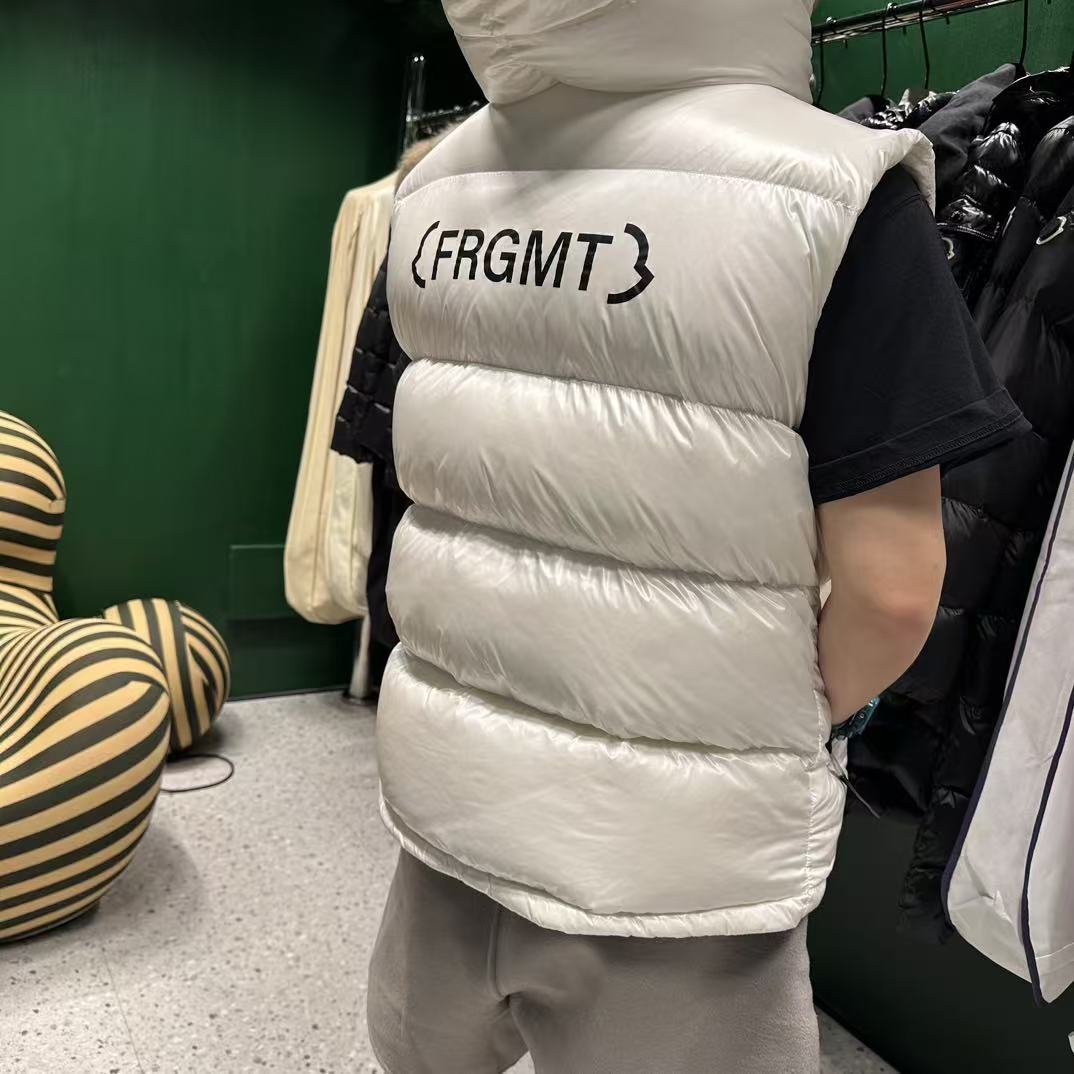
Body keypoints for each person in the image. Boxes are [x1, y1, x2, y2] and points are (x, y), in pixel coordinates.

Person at [362, 2, 1030, 1071]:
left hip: (447, 803)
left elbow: (437, 483)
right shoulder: (830, 188)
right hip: (675, 873)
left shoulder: (436, 183)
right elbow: (895, 590)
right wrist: (761, 718)